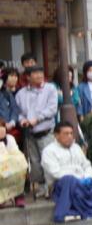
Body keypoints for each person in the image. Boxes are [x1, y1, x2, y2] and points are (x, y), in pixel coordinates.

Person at [39, 121, 92, 222]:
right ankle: (74, 212)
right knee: (69, 180)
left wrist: (88, 177)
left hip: (83, 182)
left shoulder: (76, 148)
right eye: (66, 134)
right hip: (62, 185)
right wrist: (77, 178)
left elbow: (87, 165)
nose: (70, 136)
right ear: (56, 135)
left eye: (71, 133)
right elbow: (56, 173)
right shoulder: (49, 151)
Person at [16, 66, 60, 197]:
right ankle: (41, 187)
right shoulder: (21, 93)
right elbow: (18, 112)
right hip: (29, 133)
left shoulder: (50, 89)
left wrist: (37, 119)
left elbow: (52, 109)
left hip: (46, 130)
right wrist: (22, 120)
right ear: (28, 77)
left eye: (41, 73)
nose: (39, 75)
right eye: (35, 73)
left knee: (48, 160)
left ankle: (52, 188)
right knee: (34, 162)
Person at [0, 122, 29, 208]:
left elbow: (15, 153)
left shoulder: (10, 138)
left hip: (10, 164)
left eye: (2, 127)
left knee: (19, 170)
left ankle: (19, 196)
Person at [1, 68, 20, 140]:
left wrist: (12, 121)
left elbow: (14, 108)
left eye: (16, 76)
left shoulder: (9, 93)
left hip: (13, 130)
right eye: (11, 76)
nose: (14, 78)